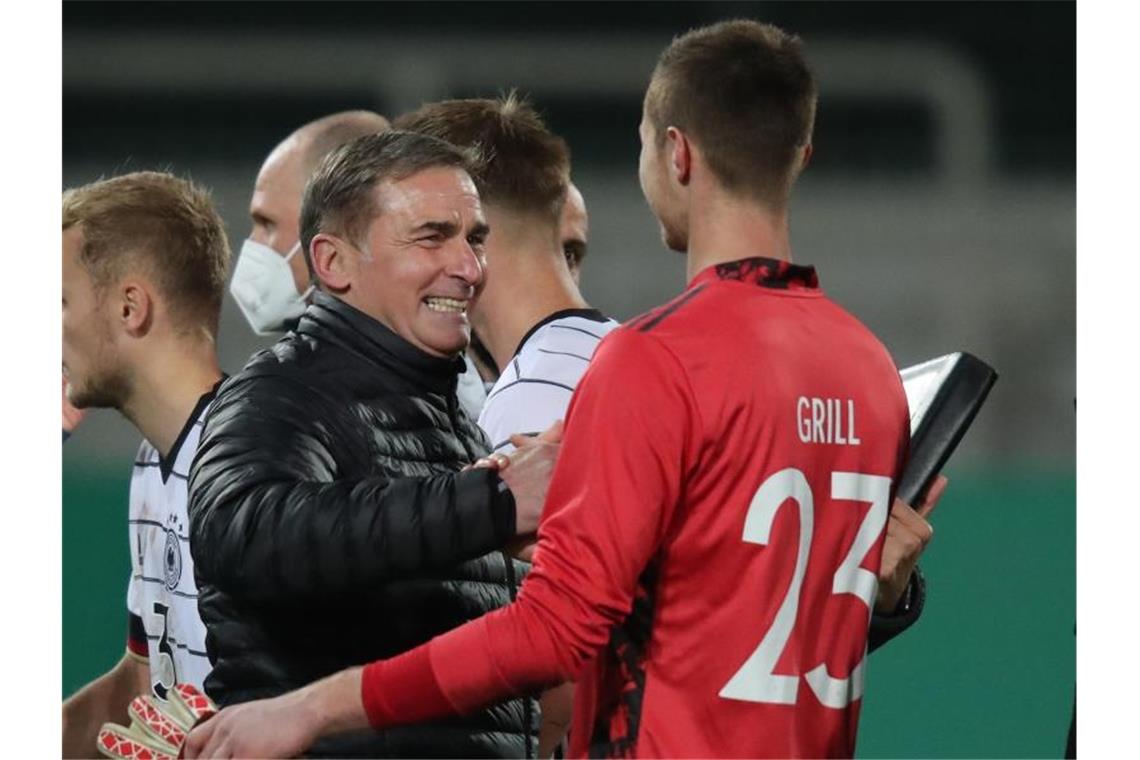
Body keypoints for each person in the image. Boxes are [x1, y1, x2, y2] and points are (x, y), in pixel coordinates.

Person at [185, 129, 558, 758]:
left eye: (475, 239)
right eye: (432, 237)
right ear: (332, 263)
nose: (469, 268)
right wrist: (496, 501)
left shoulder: (447, 412)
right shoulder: (282, 392)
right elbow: (242, 531)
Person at [60, 172, 230, 757]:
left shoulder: (248, 468)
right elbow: (142, 685)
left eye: (59, 301)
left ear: (130, 307)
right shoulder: (150, 463)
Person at [232, 109, 488, 421]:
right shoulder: (278, 398)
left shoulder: (458, 402)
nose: (255, 244)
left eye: (267, 224)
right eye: (432, 237)